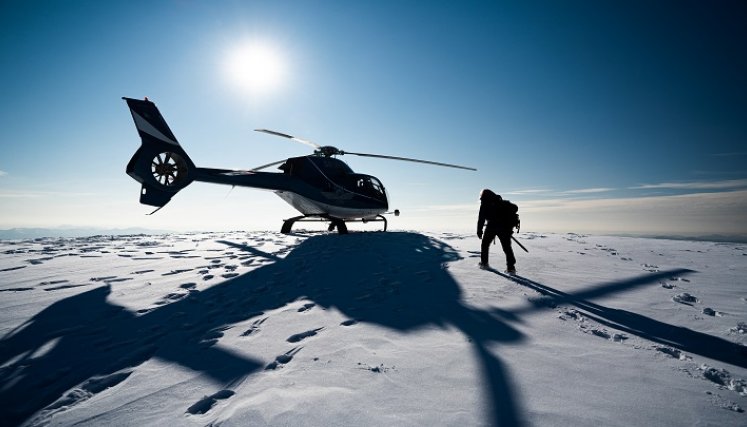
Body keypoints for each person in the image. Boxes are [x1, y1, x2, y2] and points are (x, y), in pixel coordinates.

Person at [476, 189, 518, 272]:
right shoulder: (500, 201)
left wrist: (479, 231)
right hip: (504, 228)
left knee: (485, 244)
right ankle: (511, 267)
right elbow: (515, 208)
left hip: (491, 226)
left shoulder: (485, 203)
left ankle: (484, 263)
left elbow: (481, 218)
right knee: (507, 247)